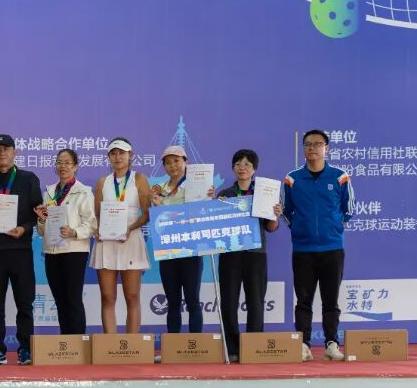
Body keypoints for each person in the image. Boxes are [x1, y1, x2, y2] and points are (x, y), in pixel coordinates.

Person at [0, 134, 43, 365]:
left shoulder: (28, 178)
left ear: (15, 152)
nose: (2, 153)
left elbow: (38, 212)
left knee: (25, 303)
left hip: (21, 250)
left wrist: (24, 228)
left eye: (7, 149)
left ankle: (26, 349)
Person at [283, 129, 353, 362]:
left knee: (330, 300)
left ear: (326, 148)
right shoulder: (292, 179)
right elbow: (285, 211)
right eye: (308, 144)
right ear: (303, 148)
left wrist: (333, 227)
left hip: (332, 248)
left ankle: (331, 344)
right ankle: (303, 344)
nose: (312, 148)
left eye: (317, 144)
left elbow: (349, 209)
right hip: (303, 249)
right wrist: (298, 228)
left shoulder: (340, 176)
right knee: (303, 301)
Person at [216, 148, 282, 362]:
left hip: (256, 254)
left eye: (247, 164)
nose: (242, 168)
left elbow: (271, 228)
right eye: (238, 164)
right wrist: (214, 208)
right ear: (232, 168)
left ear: (254, 169)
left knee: (256, 301)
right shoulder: (225, 195)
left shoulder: (264, 194)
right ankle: (232, 348)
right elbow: (217, 228)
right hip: (230, 254)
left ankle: (254, 347)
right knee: (228, 301)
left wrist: (275, 215)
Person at [90, 137, 152, 334]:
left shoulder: (139, 179)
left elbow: (147, 214)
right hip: (106, 243)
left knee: (132, 296)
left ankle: (132, 345)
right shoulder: (102, 182)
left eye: (122, 153)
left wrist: (129, 229)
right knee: (107, 297)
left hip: (130, 240)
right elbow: (96, 215)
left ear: (130, 155)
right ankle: (110, 345)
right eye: (113, 153)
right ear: (108, 157)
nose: (117, 157)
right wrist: (97, 230)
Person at [33, 148, 95, 335]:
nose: (63, 166)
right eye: (59, 162)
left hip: (74, 251)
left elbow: (92, 224)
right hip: (52, 252)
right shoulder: (49, 193)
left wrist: (74, 232)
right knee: (59, 300)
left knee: (73, 300)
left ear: (76, 166)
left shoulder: (83, 192)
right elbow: (41, 231)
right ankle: (66, 342)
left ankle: (78, 342)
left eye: (68, 162)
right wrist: (41, 219)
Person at [150, 145, 205, 334]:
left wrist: (209, 197)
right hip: (168, 251)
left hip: (191, 249)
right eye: (168, 162)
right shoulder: (159, 189)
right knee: (172, 301)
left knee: (192, 300)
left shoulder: (198, 186)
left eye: (176, 161)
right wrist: (157, 205)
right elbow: (158, 222)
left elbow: (202, 212)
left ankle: (196, 345)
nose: (172, 165)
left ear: (186, 162)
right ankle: (174, 345)